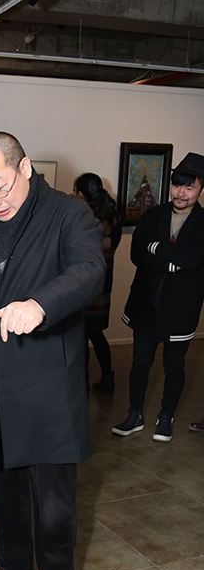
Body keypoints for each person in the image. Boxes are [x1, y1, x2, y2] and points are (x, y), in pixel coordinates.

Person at [0, 132, 104, 570]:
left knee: (54, 507)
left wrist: (40, 304)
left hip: (45, 385)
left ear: (24, 169)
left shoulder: (68, 213)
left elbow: (89, 270)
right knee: (4, 497)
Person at [112, 152, 204, 443]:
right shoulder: (153, 215)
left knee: (174, 365)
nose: (181, 193)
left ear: (201, 189)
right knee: (140, 362)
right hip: (145, 304)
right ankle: (135, 415)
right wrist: (172, 260)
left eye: (189, 187)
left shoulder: (203, 222)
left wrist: (157, 248)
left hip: (181, 307)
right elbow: (137, 254)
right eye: (177, 185)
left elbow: (192, 259)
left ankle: (166, 417)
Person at [74, 173, 122, 392]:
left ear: (81, 194)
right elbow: (110, 244)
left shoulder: (84, 215)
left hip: (86, 282)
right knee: (96, 332)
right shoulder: (112, 213)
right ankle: (107, 378)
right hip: (104, 282)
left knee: (82, 334)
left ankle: (82, 382)